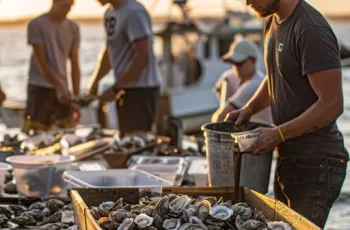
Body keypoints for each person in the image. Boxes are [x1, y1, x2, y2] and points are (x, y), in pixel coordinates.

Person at [225, 0, 348, 228]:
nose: (247, 1)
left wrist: (277, 134)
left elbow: (332, 104)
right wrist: (249, 108)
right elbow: (275, 76)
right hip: (288, 157)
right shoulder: (271, 21)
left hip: (317, 163)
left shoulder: (311, 30)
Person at [88, 0, 162, 136]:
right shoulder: (109, 13)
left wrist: (116, 88)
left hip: (142, 90)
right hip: (125, 90)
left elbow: (142, 58)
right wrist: (95, 81)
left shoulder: (134, 12)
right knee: (124, 140)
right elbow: (109, 51)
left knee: (136, 142)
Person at [21, 0, 81, 133]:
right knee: (35, 135)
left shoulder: (73, 28)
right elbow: (40, 61)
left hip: (64, 92)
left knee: (67, 134)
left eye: (70, 6)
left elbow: (75, 64)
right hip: (39, 88)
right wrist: (58, 85)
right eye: (64, 5)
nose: (67, 9)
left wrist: (76, 99)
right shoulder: (36, 24)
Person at [212, 39, 272, 124]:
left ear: (253, 61)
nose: (236, 67)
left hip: (261, 133)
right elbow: (218, 89)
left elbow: (220, 118)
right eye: (232, 62)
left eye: (239, 63)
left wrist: (229, 104)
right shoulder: (228, 76)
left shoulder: (255, 84)